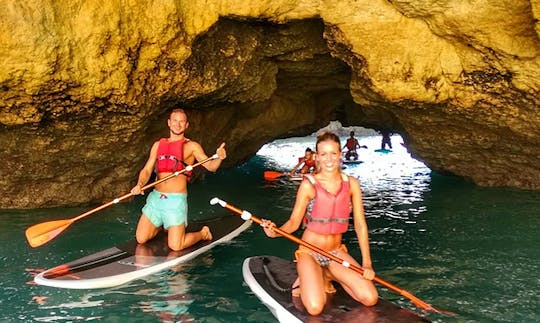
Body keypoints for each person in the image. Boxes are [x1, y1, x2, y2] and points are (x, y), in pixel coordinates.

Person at [262, 131, 378, 316]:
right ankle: (307, 276)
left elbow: (360, 225)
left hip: (336, 253)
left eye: (333, 153)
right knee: (315, 308)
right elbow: (293, 222)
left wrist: (367, 264)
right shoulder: (308, 185)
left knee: (370, 298)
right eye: (323, 154)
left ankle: (327, 274)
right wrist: (275, 232)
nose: (329, 159)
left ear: (340, 155)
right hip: (310, 252)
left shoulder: (352, 184)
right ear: (317, 157)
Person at [130, 108, 227, 251]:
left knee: (176, 246)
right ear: (169, 123)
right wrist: (140, 184)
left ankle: (203, 234)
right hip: (156, 199)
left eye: (182, 121)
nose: (178, 124)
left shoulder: (192, 146)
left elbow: (211, 167)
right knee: (141, 238)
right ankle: (164, 225)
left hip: (175, 201)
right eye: (175, 120)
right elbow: (146, 169)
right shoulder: (158, 145)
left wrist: (219, 158)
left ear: (186, 125)